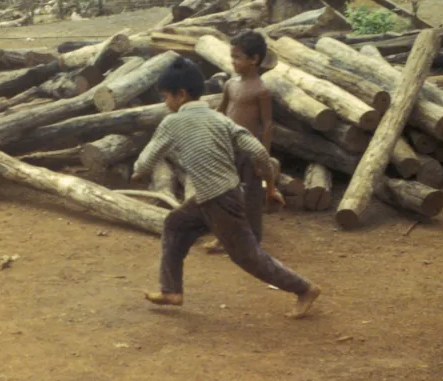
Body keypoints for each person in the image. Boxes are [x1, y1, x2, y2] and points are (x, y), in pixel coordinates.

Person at [131, 57, 320, 318]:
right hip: (218, 195)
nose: (166, 103)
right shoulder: (219, 119)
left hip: (219, 200)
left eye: (166, 97)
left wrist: (138, 172)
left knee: (248, 257)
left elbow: (146, 159)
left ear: (181, 94)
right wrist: (269, 187)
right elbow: (259, 152)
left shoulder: (172, 123)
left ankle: (304, 288)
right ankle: (171, 290)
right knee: (175, 223)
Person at [204, 30, 279, 253]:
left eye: (237, 57)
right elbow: (221, 111)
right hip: (228, 147)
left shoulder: (261, 90)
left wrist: (262, 157)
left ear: (254, 60)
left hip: (249, 150)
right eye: (232, 56)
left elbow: (267, 125)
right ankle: (223, 238)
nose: (233, 62)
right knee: (223, 194)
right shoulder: (230, 84)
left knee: (252, 198)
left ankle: (252, 242)